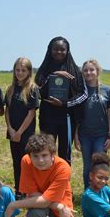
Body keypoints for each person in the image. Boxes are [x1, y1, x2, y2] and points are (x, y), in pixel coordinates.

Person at [4, 133, 75, 217]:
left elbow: (44, 201)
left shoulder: (63, 168)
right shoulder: (26, 161)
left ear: (53, 154)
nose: (40, 160)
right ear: (30, 155)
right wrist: (55, 205)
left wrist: (14, 204)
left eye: (44, 155)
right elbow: (36, 197)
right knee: (36, 212)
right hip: (52, 204)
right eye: (35, 156)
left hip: (62, 203)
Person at [34, 36, 87, 165]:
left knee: (65, 154)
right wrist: (54, 75)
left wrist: (64, 104)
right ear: (49, 50)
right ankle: (47, 181)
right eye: (55, 49)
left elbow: (83, 95)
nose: (59, 52)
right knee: (46, 152)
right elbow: (37, 93)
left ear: (67, 51)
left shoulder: (75, 71)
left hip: (67, 119)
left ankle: (63, 183)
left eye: (62, 49)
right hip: (47, 117)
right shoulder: (43, 70)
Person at [74, 60, 110, 190]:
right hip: (84, 135)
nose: (88, 72)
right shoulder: (79, 90)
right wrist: (76, 136)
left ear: (98, 71)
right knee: (87, 166)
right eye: (85, 70)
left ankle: (101, 192)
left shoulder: (106, 90)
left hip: (101, 135)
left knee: (100, 165)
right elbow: (76, 116)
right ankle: (88, 192)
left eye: (91, 70)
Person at [5, 57, 39, 200]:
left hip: (26, 134)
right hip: (13, 133)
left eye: (23, 70)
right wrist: (11, 129)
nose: (20, 73)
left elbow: (31, 113)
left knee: (26, 162)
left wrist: (19, 132)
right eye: (17, 70)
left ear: (29, 72)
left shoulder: (32, 89)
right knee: (16, 161)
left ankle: (28, 190)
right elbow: (7, 110)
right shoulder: (11, 89)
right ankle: (18, 191)